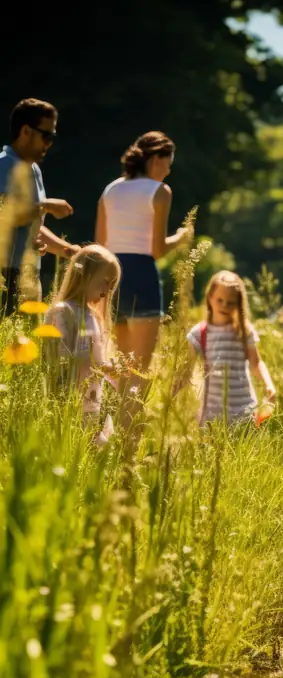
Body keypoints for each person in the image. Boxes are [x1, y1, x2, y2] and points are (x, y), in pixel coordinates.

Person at [95, 130, 190, 390]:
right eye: (167, 164)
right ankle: (129, 432)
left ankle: (109, 429)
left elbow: (99, 244)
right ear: (155, 159)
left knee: (119, 371)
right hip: (142, 278)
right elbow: (157, 249)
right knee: (139, 374)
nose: (168, 171)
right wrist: (181, 238)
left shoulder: (110, 190)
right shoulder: (160, 191)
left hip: (109, 279)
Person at [0, 98, 78, 315]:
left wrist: (67, 250)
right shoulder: (3, 165)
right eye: (46, 136)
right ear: (25, 131)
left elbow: (29, 221)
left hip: (27, 276)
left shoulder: (34, 170)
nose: (49, 143)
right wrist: (43, 206)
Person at [46, 244, 121, 445]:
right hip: (68, 403)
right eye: (105, 282)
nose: (107, 292)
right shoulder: (63, 312)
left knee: (92, 452)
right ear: (84, 274)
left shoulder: (92, 316)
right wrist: (97, 365)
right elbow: (58, 358)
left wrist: (110, 367)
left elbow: (98, 360)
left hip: (92, 404)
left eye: (111, 286)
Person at [184, 271, 276, 425]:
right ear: (210, 297)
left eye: (231, 302)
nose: (225, 305)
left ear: (238, 303)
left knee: (243, 448)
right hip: (211, 415)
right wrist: (170, 399)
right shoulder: (199, 333)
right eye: (220, 300)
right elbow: (185, 371)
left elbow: (256, 363)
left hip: (244, 411)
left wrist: (269, 384)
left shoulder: (244, 330)